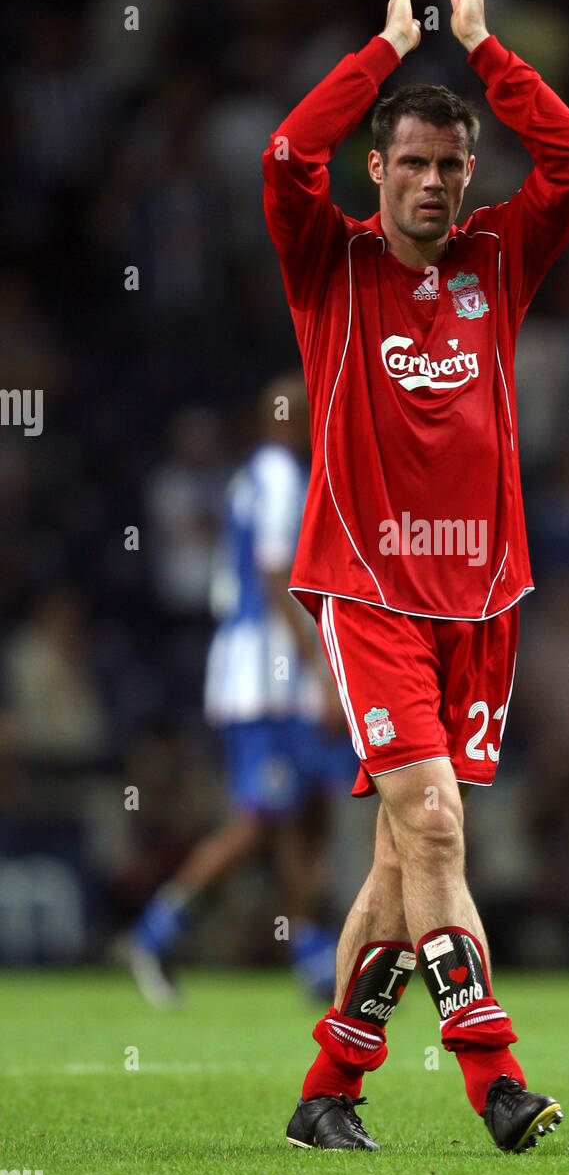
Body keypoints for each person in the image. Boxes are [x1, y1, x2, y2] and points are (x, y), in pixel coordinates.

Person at [263, 0, 569, 1152]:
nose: (434, 186)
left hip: (485, 597)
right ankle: (493, 1079)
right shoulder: (329, 263)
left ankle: (328, 1094)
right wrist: (393, 50)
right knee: (441, 826)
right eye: (411, 163)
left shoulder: (497, 259)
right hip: (366, 588)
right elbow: (285, 153)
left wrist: (487, 49)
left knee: (400, 864)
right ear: (377, 169)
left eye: (452, 167)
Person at [129, 375, 354, 1005]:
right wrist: (323, 670)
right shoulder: (281, 475)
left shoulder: (251, 475)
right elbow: (278, 577)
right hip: (269, 677)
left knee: (310, 809)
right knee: (262, 816)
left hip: (264, 671)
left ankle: (311, 952)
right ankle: (157, 929)